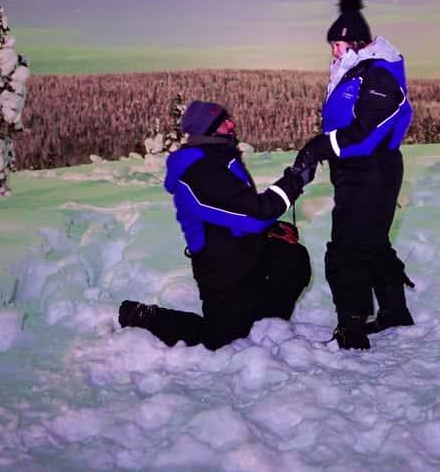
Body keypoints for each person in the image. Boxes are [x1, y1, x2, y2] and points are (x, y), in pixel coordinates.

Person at [118, 100, 313, 350]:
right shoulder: (199, 172)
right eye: (223, 123)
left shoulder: (219, 160)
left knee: (292, 259)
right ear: (207, 130)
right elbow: (255, 214)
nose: (231, 125)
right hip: (222, 269)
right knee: (219, 339)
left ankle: (264, 324)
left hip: (245, 252)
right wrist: (294, 181)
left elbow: (236, 211)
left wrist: (269, 228)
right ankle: (143, 316)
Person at [294, 0, 415, 350]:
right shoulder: (356, 70)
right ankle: (394, 312)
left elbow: (366, 134)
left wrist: (320, 146)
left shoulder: (378, 74)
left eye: (337, 45)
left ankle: (352, 327)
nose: (333, 52)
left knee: (346, 251)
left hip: (372, 169)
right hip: (357, 170)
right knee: (373, 242)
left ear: (355, 42)